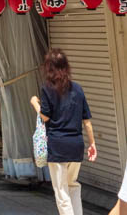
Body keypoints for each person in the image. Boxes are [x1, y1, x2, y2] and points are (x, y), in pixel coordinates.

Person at [30, 48, 97, 215]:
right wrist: (92, 144)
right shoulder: (78, 89)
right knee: (73, 185)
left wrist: (34, 103)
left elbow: (45, 117)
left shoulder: (47, 88)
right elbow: (87, 122)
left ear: (48, 67)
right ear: (66, 66)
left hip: (58, 146)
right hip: (76, 146)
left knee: (61, 192)